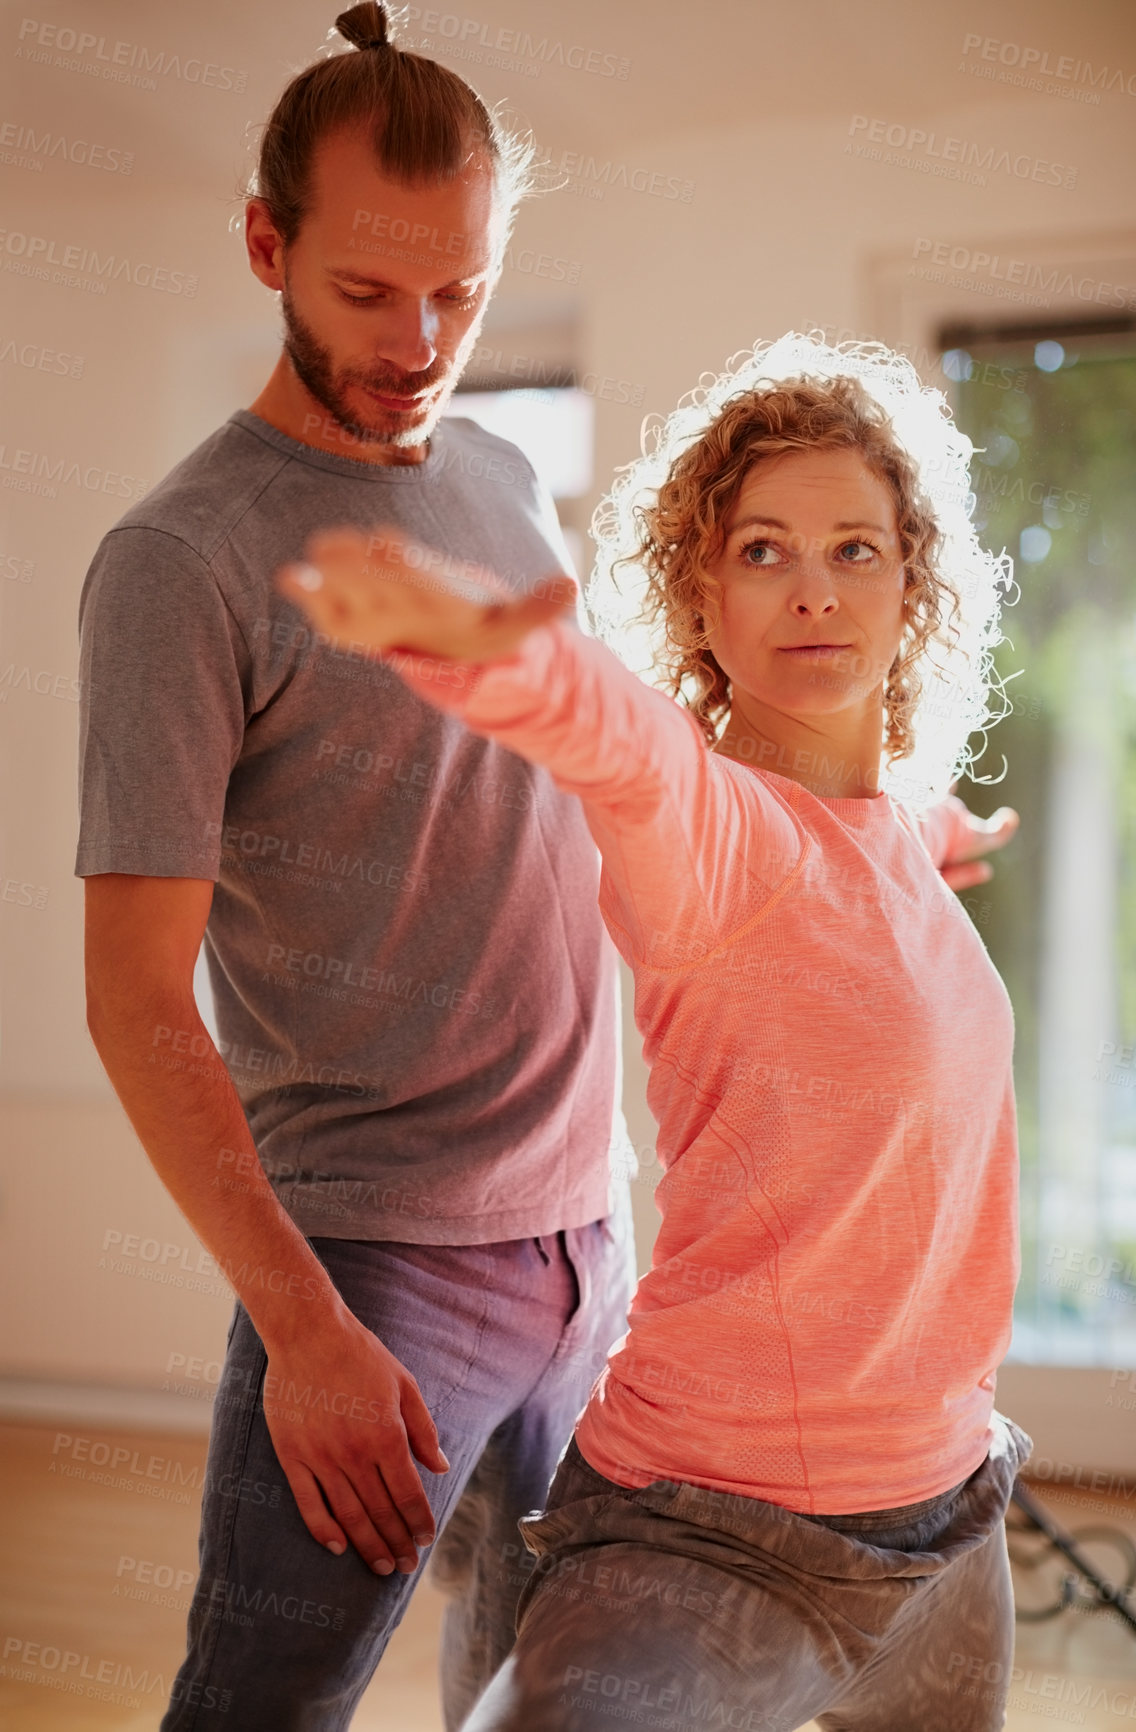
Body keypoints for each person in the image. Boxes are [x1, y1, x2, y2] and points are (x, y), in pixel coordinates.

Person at [278, 332, 1033, 1732]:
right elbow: (616, 741)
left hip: (949, 1515)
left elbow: (855, 852)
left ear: (910, 584)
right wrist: (496, 652)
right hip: (715, 1529)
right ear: (700, 586)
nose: (812, 591)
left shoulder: (881, 833)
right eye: (761, 551)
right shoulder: (709, 829)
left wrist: (938, 832)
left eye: (854, 550)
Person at [75, 5, 638, 1727]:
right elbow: (130, 1001)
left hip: (587, 1240)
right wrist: (309, 1334)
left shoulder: (498, 474)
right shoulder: (182, 562)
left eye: (459, 292)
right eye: (367, 291)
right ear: (268, 243)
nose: (420, 341)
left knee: (550, 1693)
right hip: (379, 1276)